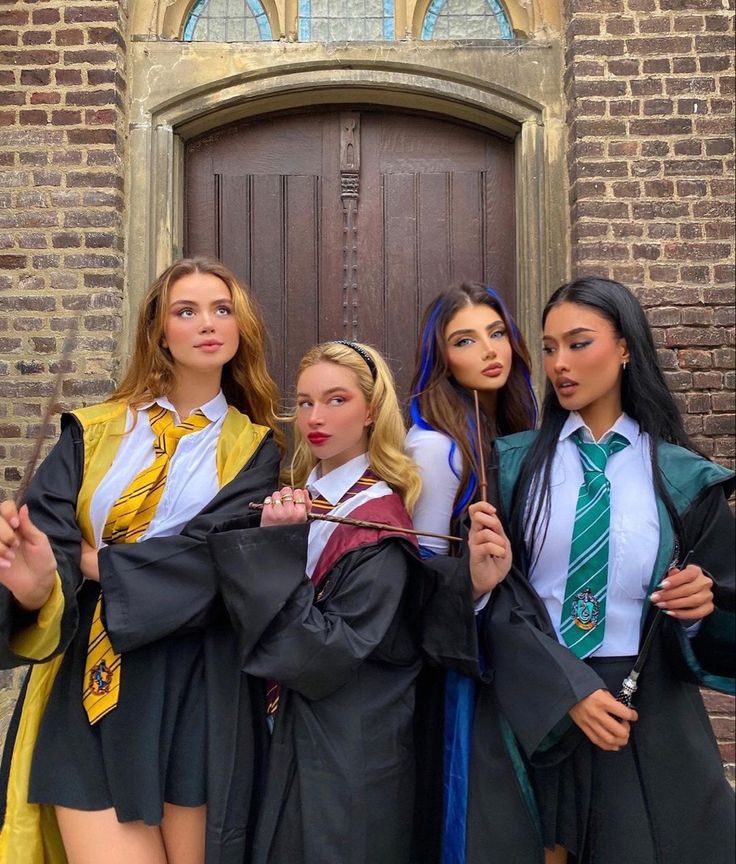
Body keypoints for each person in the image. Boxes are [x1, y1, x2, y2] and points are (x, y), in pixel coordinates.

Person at [0, 258, 283, 864]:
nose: (207, 324)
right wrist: (32, 586)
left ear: (240, 329)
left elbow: (220, 562)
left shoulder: (255, 450)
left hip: (195, 686)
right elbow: (45, 552)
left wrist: (96, 564)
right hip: (88, 679)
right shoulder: (93, 432)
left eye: (221, 309)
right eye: (186, 311)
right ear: (159, 332)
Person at [208, 340, 507, 864]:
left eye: (336, 400)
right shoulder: (299, 498)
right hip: (282, 738)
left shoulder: (380, 521)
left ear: (371, 411)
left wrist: (275, 552)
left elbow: (325, 653)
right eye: (304, 402)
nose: (315, 417)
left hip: (348, 752)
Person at [484, 277, 735, 863]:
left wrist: (699, 610)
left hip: (645, 710)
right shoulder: (514, 469)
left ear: (625, 348)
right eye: (548, 349)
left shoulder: (683, 480)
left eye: (578, 344)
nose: (559, 364)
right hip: (535, 702)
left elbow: (726, 610)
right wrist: (565, 690)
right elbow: (499, 599)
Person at [405, 282, 537, 863]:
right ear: (443, 359)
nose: (490, 350)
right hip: (464, 661)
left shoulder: (511, 431)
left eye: (497, 332)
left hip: (521, 648)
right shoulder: (437, 448)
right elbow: (423, 571)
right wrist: (477, 585)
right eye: (466, 340)